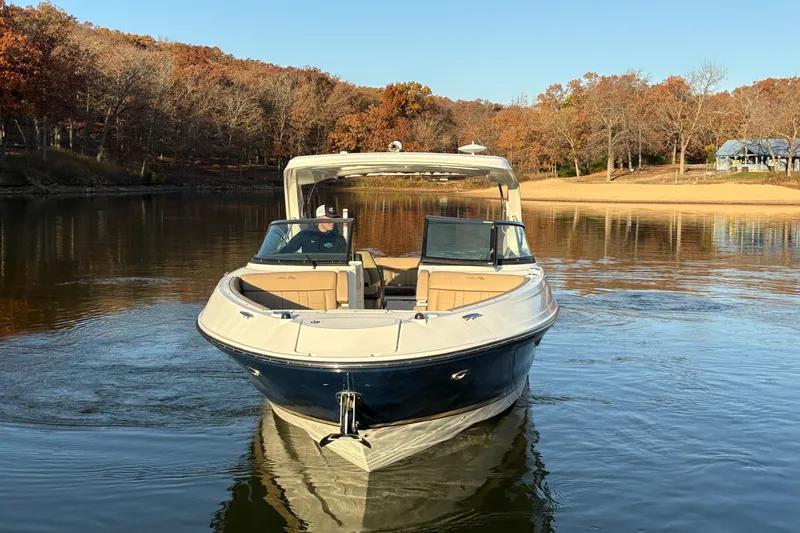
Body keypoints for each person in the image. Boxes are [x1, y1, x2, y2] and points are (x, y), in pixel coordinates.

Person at [278, 205, 347, 254]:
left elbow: (344, 260)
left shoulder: (339, 238)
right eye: (329, 219)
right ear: (319, 219)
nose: (332, 222)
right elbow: (285, 252)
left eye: (333, 219)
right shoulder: (306, 234)